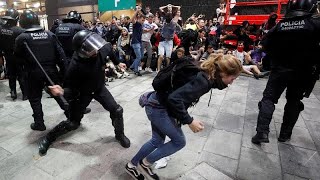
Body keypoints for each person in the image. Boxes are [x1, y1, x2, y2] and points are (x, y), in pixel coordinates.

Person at [125, 54, 242, 180]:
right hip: (158, 108)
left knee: (157, 141)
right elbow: (174, 99)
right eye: (233, 78)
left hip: (156, 102)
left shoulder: (208, 72)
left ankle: (131, 165)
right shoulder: (204, 81)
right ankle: (145, 163)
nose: (232, 82)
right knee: (179, 142)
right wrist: (190, 121)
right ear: (223, 73)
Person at [38, 30, 130, 155]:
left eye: (95, 45)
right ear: (83, 51)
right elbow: (70, 89)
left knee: (117, 110)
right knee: (73, 123)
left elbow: (109, 50)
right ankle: (49, 137)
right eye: (92, 48)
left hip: (99, 88)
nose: (96, 50)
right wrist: (62, 91)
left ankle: (120, 135)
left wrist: (118, 62)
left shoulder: (101, 48)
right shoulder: (75, 66)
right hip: (82, 93)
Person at [251, 0, 320, 144]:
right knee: (294, 101)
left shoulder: (280, 25)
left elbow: (265, 45)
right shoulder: (315, 24)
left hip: (280, 70)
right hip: (303, 72)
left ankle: (262, 133)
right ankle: (285, 135)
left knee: (268, 99)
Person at [15, 10, 67, 131]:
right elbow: (61, 55)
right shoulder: (50, 34)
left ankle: (39, 123)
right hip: (51, 71)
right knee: (58, 94)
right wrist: (64, 72)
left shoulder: (21, 38)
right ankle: (71, 115)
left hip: (32, 73)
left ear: (22, 22)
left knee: (35, 98)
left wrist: (22, 74)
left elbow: (18, 59)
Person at [0, 8, 28, 100]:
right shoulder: (20, 31)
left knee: (11, 75)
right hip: (19, 57)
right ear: (16, 18)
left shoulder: (1, 30)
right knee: (21, 75)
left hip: (8, 56)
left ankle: (13, 92)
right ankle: (25, 94)